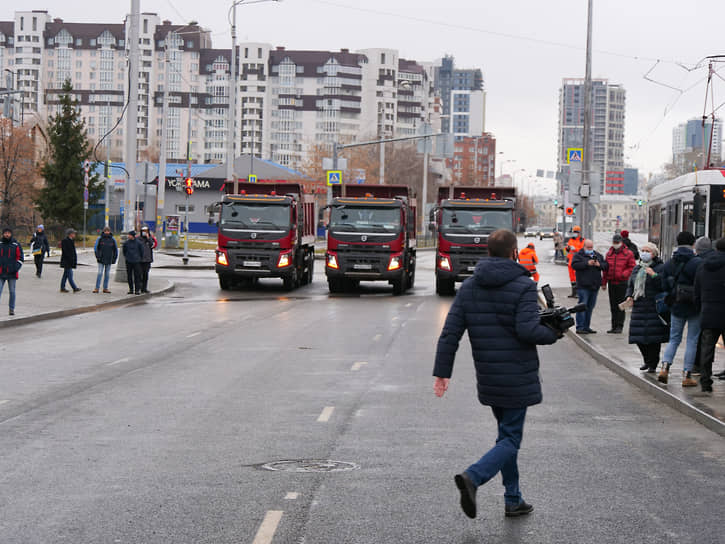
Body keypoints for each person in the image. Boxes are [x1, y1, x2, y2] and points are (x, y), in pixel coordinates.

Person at [433, 229, 560, 520]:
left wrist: (442, 373)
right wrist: (554, 333)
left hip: (488, 375)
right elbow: (528, 330)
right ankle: (473, 477)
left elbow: (450, 333)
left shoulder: (469, 287)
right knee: (511, 439)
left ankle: (513, 499)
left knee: (506, 437)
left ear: (488, 252)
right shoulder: (524, 286)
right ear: (514, 252)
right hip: (517, 374)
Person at [658, 231, 701, 386]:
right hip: (694, 306)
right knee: (692, 341)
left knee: (674, 338)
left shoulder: (670, 263)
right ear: (693, 244)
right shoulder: (697, 262)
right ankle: (687, 375)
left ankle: (664, 368)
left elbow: (663, 286)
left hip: (676, 305)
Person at [622, 243, 669, 373]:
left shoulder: (660, 267)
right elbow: (630, 284)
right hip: (638, 306)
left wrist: (654, 275)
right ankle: (646, 360)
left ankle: (653, 363)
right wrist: (628, 296)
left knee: (653, 338)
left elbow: (664, 285)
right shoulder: (637, 268)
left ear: (654, 254)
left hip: (653, 306)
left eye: (647, 251)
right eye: (642, 250)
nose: (644, 253)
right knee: (638, 337)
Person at [694, 237, 725, 392]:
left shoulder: (704, 265)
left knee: (707, 347)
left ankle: (705, 381)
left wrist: (701, 306)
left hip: (708, 312)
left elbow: (697, 289)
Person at [571, 239, 608, 334]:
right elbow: (574, 265)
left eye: (591, 247)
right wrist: (587, 263)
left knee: (590, 307)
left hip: (594, 285)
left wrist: (599, 264)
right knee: (582, 306)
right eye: (588, 247)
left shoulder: (598, 255)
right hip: (583, 286)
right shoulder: (578, 255)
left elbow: (605, 266)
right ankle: (580, 327)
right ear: (584, 247)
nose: (590, 249)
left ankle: (587, 327)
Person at [602, 233, 636, 334]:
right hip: (612, 283)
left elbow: (632, 267)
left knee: (620, 305)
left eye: (617, 242)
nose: (615, 244)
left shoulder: (628, 254)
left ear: (621, 242)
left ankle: (619, 326)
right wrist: (604, 282)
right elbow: (605, 269)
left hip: (622, 283)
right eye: (614, 242)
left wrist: (623, 274)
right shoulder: (609, 254)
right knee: (613, 305)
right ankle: (613, 326)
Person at [691, 237, 713, 375]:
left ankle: (701, 369)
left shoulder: (699, 263)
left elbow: (697, 287)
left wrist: (697, 303)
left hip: (705, 307)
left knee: (704, 340)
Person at [0, 227, 24, 315]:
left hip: (12, 273)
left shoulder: (16, 244)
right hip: (1, 272)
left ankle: (11, 308)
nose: (7, 234)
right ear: (3, 234)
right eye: (5, 233)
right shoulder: (0, 244)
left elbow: (20, 258)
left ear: (11, 234)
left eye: (8, 233)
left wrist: (15, 268)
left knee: (12, 291)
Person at [93, 227, 118, 293]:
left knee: (107, 274)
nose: (107, 232)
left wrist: (114, 259)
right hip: (101, 259)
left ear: (110, 231)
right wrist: (98, 257)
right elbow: (95, 248)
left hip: (109, 259)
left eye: (108, 231)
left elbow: (115, 250)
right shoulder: (99, 238)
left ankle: (105, 288)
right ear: (103, 231)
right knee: (100, 273)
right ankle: (97, 288)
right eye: (105, 231)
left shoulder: (113, 239)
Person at [122, 230, 143, 295]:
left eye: (129, 235)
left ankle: (137, 290)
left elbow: (141, 252)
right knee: (129, 276)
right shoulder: (126, 243)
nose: (128, 236)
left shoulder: (138, 243)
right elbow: (124, 251)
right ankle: (131, 289)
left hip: (137, 261)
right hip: (129, 261)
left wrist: (139, 259)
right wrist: (127, 257)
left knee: (137, 276)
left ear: (133, 236)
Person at [60, 228, 81, 293]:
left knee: (65, 275)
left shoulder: (71, 241)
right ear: (70, 234)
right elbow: (65, 251)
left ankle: (62, 288)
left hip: (70, 261)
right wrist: (70, 258)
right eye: (73, 233)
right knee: (70, 275)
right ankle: (74, 288)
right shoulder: (65, 241)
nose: (75, 234)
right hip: (67, 261)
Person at [566, 226, 584, 298]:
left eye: (576, 232)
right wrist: (567, 248)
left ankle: (578, 293)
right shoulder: (571, 240)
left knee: (577, 278)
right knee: (572, 278)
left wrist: (575, 249)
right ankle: (573, 293)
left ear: (579, 232)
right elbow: (568, 249)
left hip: (577, 262)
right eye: (574, 232)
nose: (575, 233)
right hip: (570, 262)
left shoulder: (582, 240)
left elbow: (582, 250)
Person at [138, 225, 157, 294]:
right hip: (140, 260)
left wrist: (148, 238)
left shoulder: (150, 238)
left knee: (146, 274)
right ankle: (139, 287)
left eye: (146, 231)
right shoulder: (139, 239)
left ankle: (144, 288)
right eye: (143, 231)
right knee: (140, 274)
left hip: (147, 260)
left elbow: (152, 245)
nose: (145, 233)